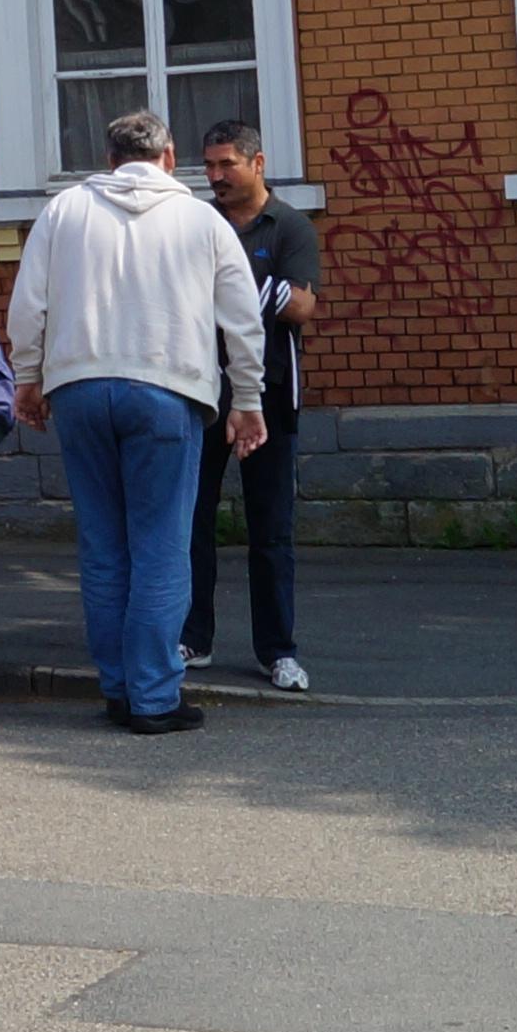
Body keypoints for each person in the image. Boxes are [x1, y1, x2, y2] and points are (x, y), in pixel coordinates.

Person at [6, 109, 265, 735]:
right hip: (167, 389)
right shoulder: (201, 219)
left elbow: (28, 303)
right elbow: (241, 315)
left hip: (81, 387)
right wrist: (248, 399)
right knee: (161, 547)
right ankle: (153, 696)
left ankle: (118, 688)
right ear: (170, 157)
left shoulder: (64, 211)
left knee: (103, 546)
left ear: (111, 157)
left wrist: (27, 378)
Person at [180, 119, 322, 693]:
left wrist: (245, 295)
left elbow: (302, 305)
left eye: (225, 166)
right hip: (200, 394)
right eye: (208, 166)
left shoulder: (289, 225)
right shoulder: (196, 224)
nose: (214, 177)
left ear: (257, 163)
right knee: (192, 523)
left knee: (271, 532)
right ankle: (194, 639)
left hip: (270, 397)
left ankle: (278, 651)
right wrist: (251, 295)